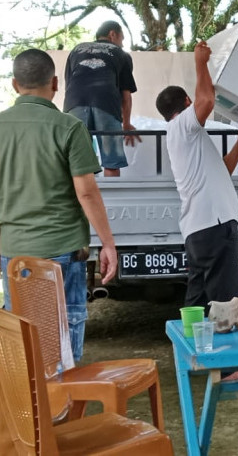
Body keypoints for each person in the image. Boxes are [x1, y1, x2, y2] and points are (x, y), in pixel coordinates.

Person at [0, 48, 118, 363]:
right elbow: (88, 194)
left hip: (13, 254)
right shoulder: (68, 127)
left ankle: (32, 406)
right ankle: (64, 404)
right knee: (63, 333)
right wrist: (108, 243)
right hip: (62, 249)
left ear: (14, 85)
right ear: (55, 83)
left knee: (23, 332)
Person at [156, 40, 238, 383]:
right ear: (185, 104)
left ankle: (190, 362)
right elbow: (207, 100)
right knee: (226, 299)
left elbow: (224, 169)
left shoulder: (187, 138)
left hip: (199, 229)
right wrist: (201, 63)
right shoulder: (184, 126)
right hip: (214, 228)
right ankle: (230, 371)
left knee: (197, 303)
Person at [64, 20, 141, 177]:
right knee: (111, 162)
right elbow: (126, 95)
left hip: (74, 103)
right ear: (113, 34)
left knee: (79, 164)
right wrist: (126, 124)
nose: (122, 43)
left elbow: (69, 84)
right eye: (122, 39)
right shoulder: (122, 54)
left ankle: (80, 200)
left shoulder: (77, 49)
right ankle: (112, 202)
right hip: (106, 104)